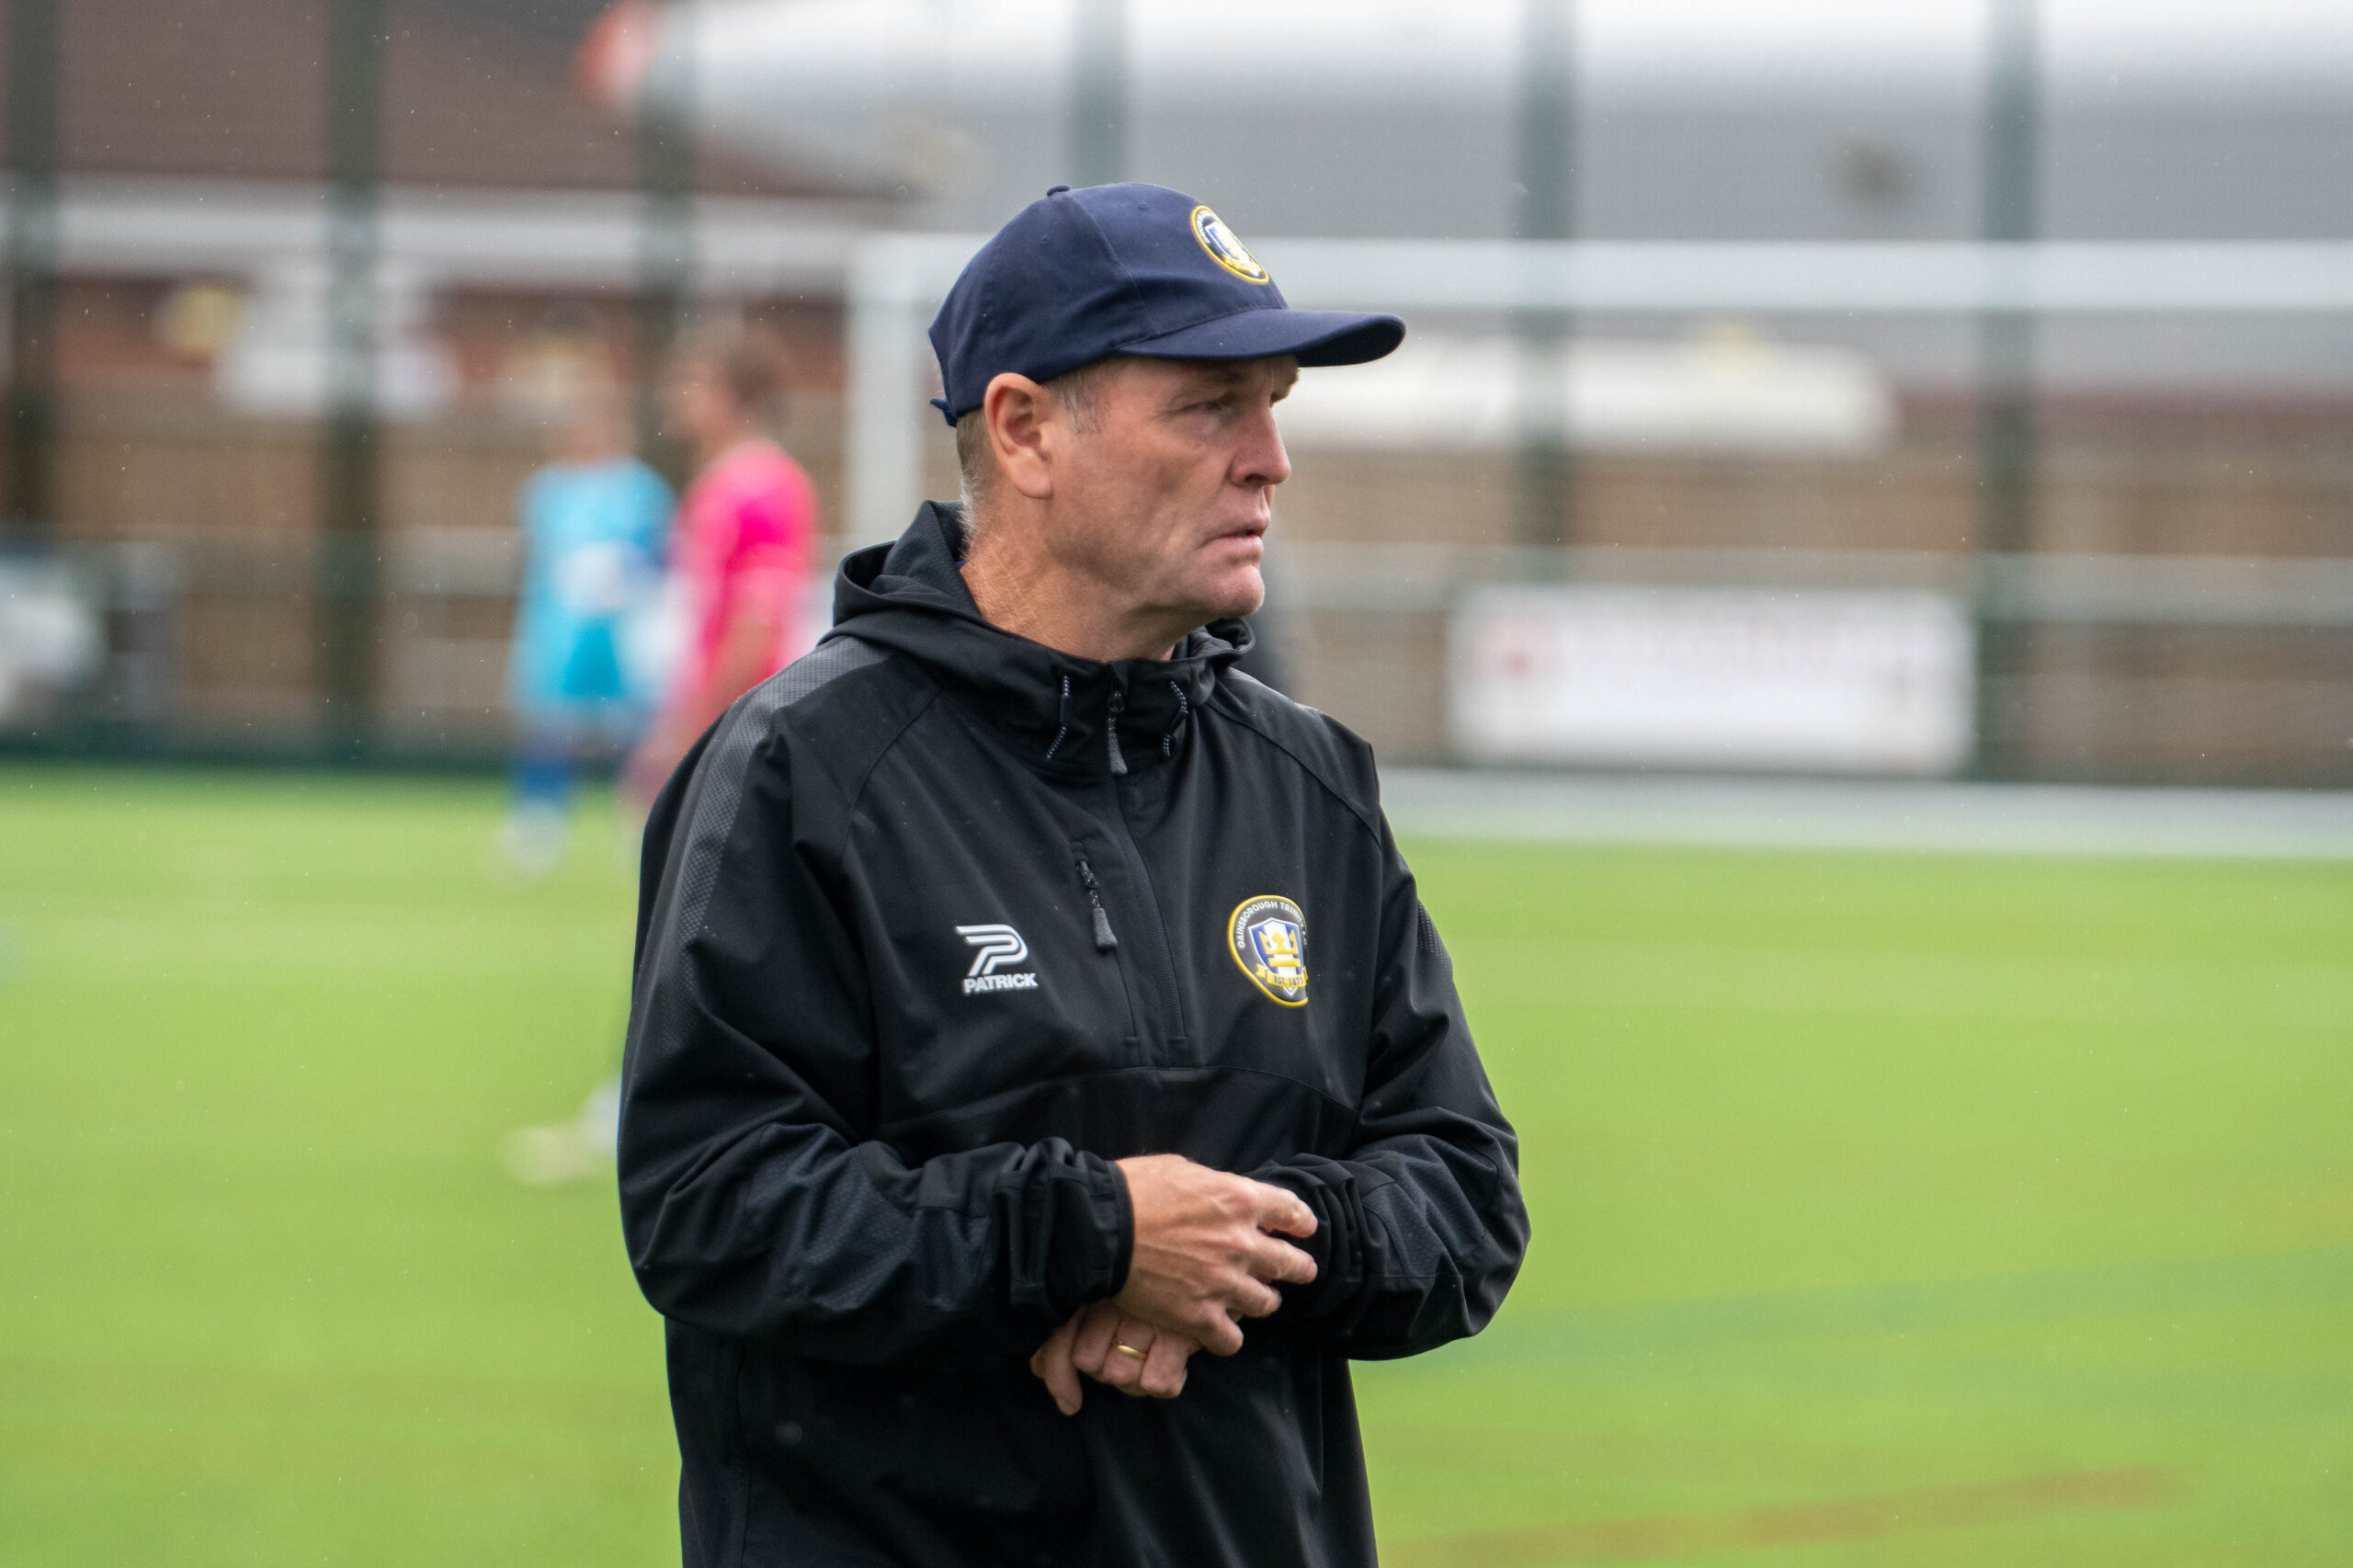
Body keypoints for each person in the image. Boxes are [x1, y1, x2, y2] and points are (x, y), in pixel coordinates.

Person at [620, 184, 1528, 1567]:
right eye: (1212, 406)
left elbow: (1464, 1197)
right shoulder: (803, 769)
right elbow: (711, 1206)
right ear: (1026, 429)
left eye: (1276, 404)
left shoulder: (1309, 786)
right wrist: (1087, 1234)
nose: (1271, 459)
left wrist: (1223, 1248)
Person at [621, 322, 824, 810]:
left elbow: (756, 623)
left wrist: (703, 721)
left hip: (747, 719)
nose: (677, 397)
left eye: (693, 384)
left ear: (735, 397)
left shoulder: (766, 488)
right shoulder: (715, 484)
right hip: (711, 710)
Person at [498, 380, 673, 877]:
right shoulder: (548, 491)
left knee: (635, 730)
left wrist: (622, 573)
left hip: (622, 634)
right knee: (550, 726)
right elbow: (539, 561)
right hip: (560, 631)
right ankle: (539, 825)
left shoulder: (642, 490)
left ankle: (642, 823)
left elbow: (661, 557)